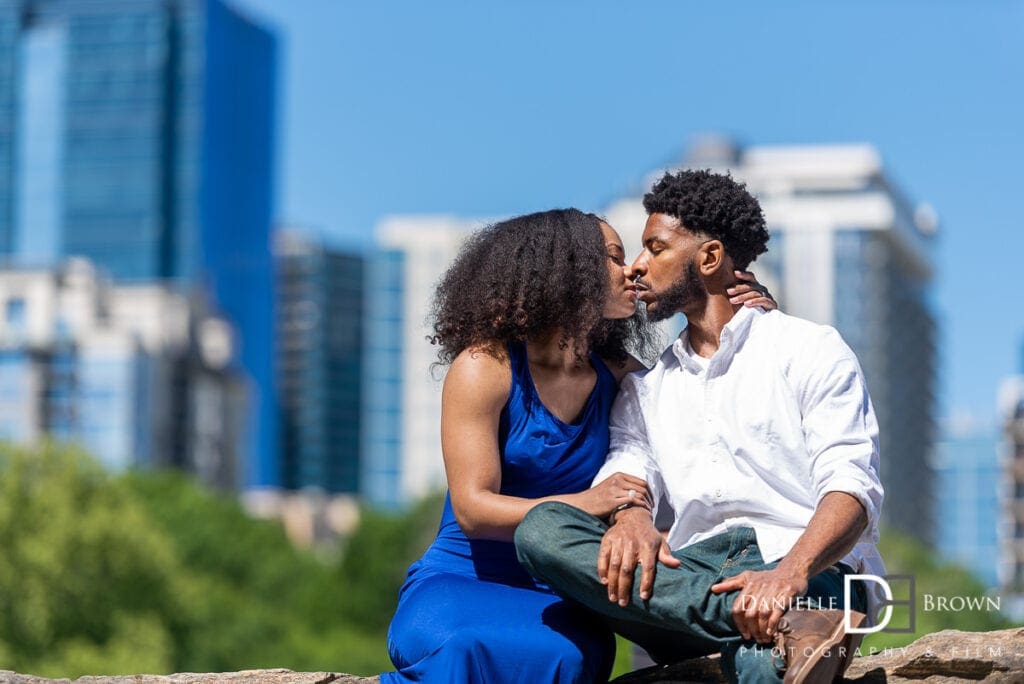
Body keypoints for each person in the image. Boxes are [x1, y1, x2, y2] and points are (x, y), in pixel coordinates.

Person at [515, 171, 885, 684]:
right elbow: (627, 469)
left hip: (807, 567)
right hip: (695, 580)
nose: (637, 267)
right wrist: (631, 519)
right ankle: (763, 624)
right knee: (543, 530)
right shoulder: (645, 388)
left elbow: (852, 487)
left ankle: (787, 627)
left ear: (709, 258)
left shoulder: (811, 349)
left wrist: (786, 575)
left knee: (762, 666)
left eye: (655, 248)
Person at [382, 208, 775, 683]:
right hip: (462, 581)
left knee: (569, 659)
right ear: (564, 271)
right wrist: (588, 504)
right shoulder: (485, 366)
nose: (631, 268)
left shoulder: (621, 374)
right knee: (467, 646)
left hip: (566, 591)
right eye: (612, 257)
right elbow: (473, 510)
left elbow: (709, 402)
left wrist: (752, 322)